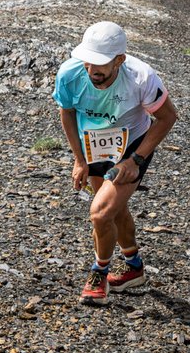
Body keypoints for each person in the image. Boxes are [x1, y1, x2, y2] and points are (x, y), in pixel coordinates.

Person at [53, 21, 179, 304]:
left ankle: (99, 274)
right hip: (93, 146)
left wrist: (135, 160)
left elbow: (167, 117)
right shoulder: (69, 73)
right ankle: (134, 268)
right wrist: (79, 160)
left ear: (119, 60)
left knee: (100, 213)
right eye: (88, 61)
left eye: (99, 63)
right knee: (114, 209)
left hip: (132, 146)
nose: (91, 70)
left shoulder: (141, 77)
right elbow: (67, 112)